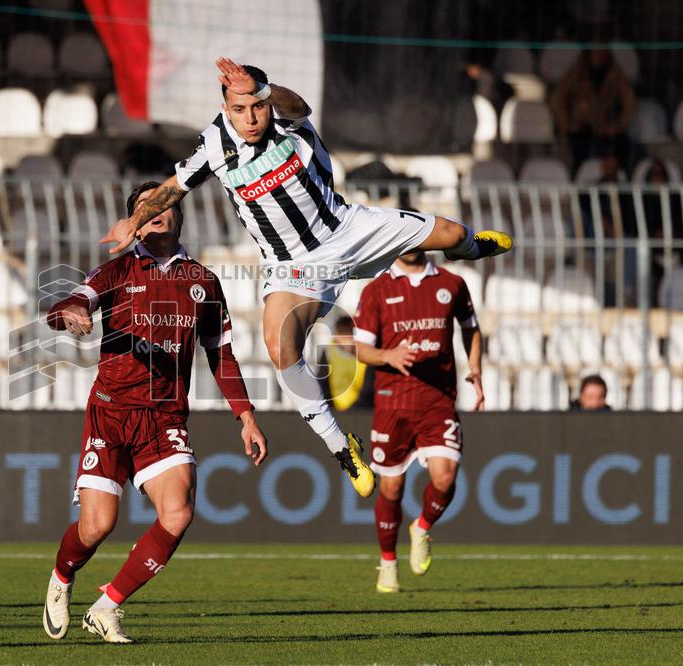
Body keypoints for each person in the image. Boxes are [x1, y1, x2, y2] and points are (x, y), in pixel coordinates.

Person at [100, 58, 511, 501]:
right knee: (279, 345)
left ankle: (466, 247)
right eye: (239, 110)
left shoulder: (283, 115)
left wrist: (262, 88)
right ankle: (342, 448)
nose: (251, 117)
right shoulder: (215, 145)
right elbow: (170, 190)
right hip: (293, 265)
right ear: (225, 108)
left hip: (346, 228)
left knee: (450, 232)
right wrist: (133, 221)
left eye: (255, 106)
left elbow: (297, 104)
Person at [43, 181, 268, 643]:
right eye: (143, 208)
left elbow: (221, 353)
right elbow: (70, 303)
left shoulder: (202, 281)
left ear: (178, 215)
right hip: (111, 412)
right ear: (133, 224)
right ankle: (62, 577)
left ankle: (107, 605)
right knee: (98, 525)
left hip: (165, 417)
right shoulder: (115, 272)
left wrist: (245, 416)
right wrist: (71, 315)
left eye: (162, 204)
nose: (154, 212)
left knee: (178, 513)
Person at [351, 250, 484, 593]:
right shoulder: (376, 290)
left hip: (437, 401)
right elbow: (361, 350)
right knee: (392, 489)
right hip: (393, 404)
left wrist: (476, 369)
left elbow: (471, 328)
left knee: (446, 475)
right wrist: (389, 355)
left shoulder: (451, 284)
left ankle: (422, 526)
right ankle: (388, 564)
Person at [552, 48, 635, 174]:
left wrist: (618, 126)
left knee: (624, 145)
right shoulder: (576, 72)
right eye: (595, 52)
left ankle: (619, 182)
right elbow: (559, 98)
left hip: (605, 128)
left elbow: (629, 101)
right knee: (578, 152)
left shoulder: (614, 74)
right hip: (580, 127)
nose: (598, 56)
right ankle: (578, 183)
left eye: (602, 52)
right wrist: (567, 123)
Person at [317, 316, 373, 411]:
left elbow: (369, 389)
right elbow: (322, 387)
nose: (347, 348)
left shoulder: (369, 354)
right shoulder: (328, 353)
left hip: (363, 411)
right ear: (336, 336)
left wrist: (353, 411)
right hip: (336, 412)